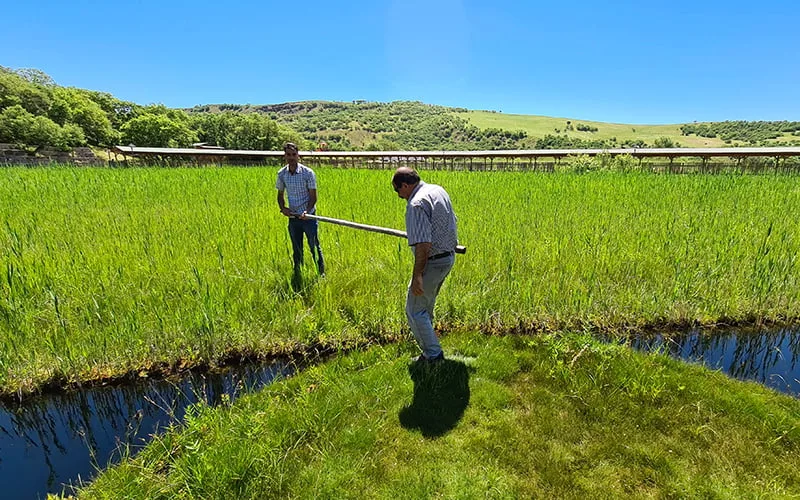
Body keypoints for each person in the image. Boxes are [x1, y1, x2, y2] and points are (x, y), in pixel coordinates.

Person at [392, 167, 458, 362]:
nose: (399, 195)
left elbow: (423, 245)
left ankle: (433, 355)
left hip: (433, 261)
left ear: (405, 185)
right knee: (425, 305)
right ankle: (431, 349)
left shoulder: (416, 204)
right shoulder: (437, 189)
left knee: (414, 309)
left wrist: (417, 276)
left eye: (398, 190)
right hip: (447, 258)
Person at [276, 142, 325, 276]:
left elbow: (313, 197)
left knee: (314, 246)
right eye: (288, 155)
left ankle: (321, 273)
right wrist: (283, 208)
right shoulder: (281, 174)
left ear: (298, 156)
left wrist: (307, 211)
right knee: (297, 248)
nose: (291, 157)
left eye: (293, 154)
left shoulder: (308, 173)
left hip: (308, 217)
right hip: (293, 218)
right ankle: (298, 272)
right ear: (284, 156)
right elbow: (280, 195)